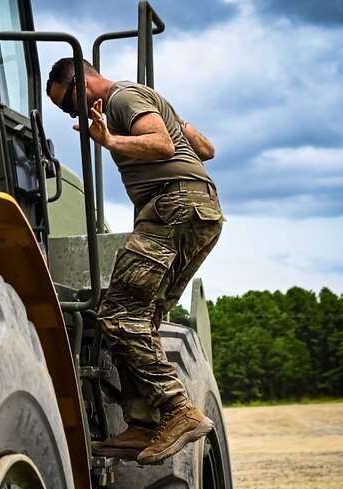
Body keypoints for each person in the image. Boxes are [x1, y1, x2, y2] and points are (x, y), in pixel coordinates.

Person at [46, 58, 224, 465]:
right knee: (143, 314)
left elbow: (161, 144)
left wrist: (110, 142)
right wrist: (173, 124)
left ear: (83, 78)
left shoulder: (120, 98)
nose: (70, 113)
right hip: (203, 213)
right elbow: (205, 148)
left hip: (171, 206)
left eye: (68, 103)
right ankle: (143, 423)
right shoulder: (147, 99)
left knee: (117, 313)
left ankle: (177, 410)